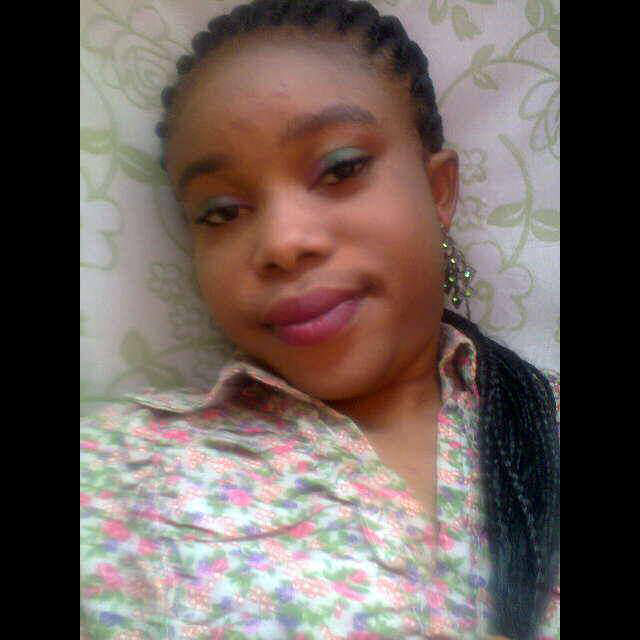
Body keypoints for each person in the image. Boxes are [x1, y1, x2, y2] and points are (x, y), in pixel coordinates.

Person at [80, 1, 559, 638]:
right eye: (222, 212)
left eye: (340, 169)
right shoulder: (116, 476)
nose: (282, 243)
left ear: (439, 190)